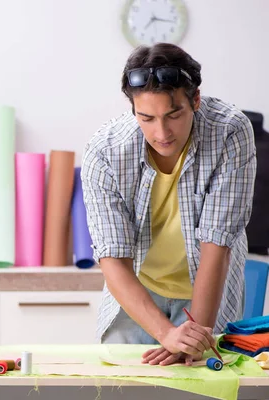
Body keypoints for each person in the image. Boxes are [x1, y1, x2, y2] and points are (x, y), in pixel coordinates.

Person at [82, 43, 256, 366]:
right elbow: (113, 261)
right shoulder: (105, 152)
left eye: (173, 115)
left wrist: (193, 336)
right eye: (146, 118)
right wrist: (166, 333)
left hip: (204, 291)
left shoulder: (231, 133)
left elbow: (216, 246)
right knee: (122, 384)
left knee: (201, 380)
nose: (161, 133)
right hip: (137, 292)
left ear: (196, 101)